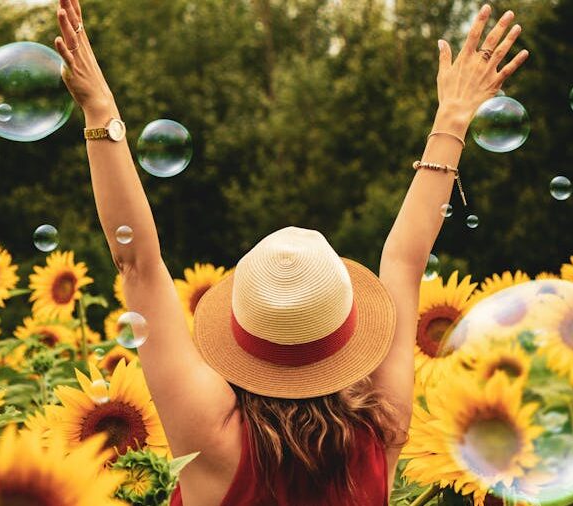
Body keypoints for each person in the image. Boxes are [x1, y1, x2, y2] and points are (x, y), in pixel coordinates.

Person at [53, 1, 527, 504]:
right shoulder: (380, 432)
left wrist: (100, 111)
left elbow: (138, 264)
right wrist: (452, 118)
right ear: (346, 335)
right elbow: (406, 263)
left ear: (244, 332)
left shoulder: (212, 440)